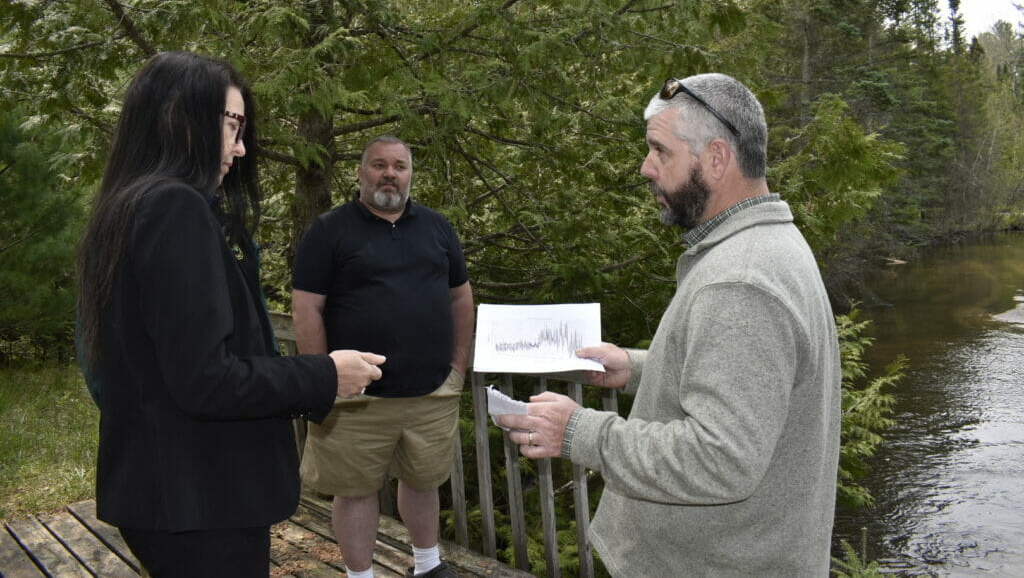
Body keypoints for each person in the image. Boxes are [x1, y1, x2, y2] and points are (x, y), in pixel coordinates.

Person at [498, 73, 841, 576]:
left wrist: (579, 432)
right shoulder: (769, 245)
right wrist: (638, 368)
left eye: (661, 152)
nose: (645, 168)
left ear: (717, 158)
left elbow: (722, 460)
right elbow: (754, 380)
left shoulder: (740, 281)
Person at [76, 51, 386, 577]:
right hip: (200, 498)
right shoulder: (175, 208)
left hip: (165, 492)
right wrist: (327, 374)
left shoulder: (126, 206)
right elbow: (207, 381)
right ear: (181, 119)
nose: (240, 149)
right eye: (232, 125)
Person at [291, 135, 474, 578]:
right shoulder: (329, 230)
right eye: (378, 164)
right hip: (354, 396)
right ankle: (360, 575)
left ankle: (428, 566)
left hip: (431, 390)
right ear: (360, 172)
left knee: (423, 480)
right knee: (354, 492)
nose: (390, 173)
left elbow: (460, 297)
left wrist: (458, 366)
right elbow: (306, 307)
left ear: (410, 174)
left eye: (399, 166)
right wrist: (323, 378)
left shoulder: (437, 227)